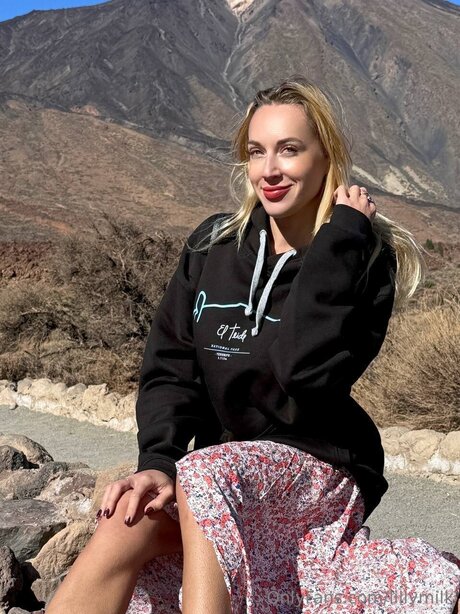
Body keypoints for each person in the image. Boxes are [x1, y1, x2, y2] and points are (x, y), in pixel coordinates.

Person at [46, 77, 460, 614]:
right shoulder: (213, 246)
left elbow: (303, 374)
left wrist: (339, 240)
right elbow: (171, 365)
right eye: (256, 151)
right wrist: (159, 459)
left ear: (326, 156)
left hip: (319, 466)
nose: (269, 170)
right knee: (129, 518)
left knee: (204, 472)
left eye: (289, 150)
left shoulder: (360, 257)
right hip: (222, 478)